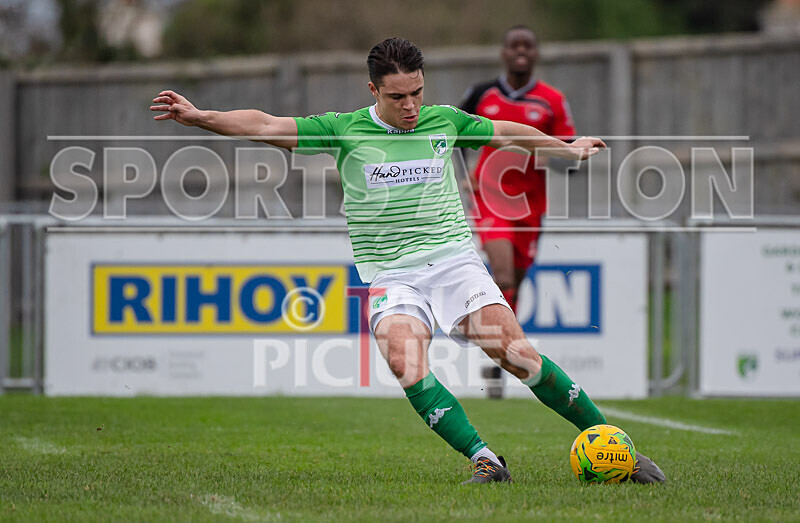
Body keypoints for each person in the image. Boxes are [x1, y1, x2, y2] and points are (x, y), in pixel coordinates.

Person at [150, 37, 664, 485]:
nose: (412, 106)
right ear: (373, 91)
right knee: (404, 359)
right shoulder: (343, 129)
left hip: (454, 263)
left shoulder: (444, 120)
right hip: (392, 276)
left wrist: (566, 149)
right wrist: (200, 117)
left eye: (417, 92)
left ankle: (618, 447)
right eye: (398, 97)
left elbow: (508, 132)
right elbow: (264, 124)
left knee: (516, 354)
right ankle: (486, 461)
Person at [460, 25, 574, 312]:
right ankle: (499, 343)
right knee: (504, 276)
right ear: (503, 53)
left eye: (527, 45)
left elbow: (572, 159)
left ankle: (504, 349)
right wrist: (464, 174)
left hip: (530, 205)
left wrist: (551, 156)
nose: (521, 50)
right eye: (515, 45)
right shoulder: (481, 94)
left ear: (536, 54)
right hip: (490, 198)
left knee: (516, 284)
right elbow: (452, 134)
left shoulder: (552, 101)